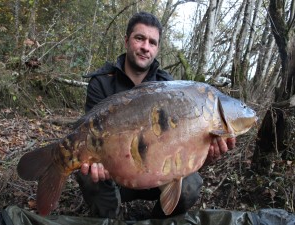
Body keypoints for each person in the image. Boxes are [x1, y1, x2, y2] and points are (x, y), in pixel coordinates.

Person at [76, 11, 236, 219]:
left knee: (191, 184)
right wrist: (97, 162)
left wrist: (206, 156)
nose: (145, 47)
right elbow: (90, 139)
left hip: (158, 173)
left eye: (152, 42)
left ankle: (157, 220)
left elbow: (182, 145)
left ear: (157, 48)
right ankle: (112, 218)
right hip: (115, 173)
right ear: (126, 41)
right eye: (139, 38)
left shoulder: (170, 88)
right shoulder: (102, 82)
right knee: (88, 174)